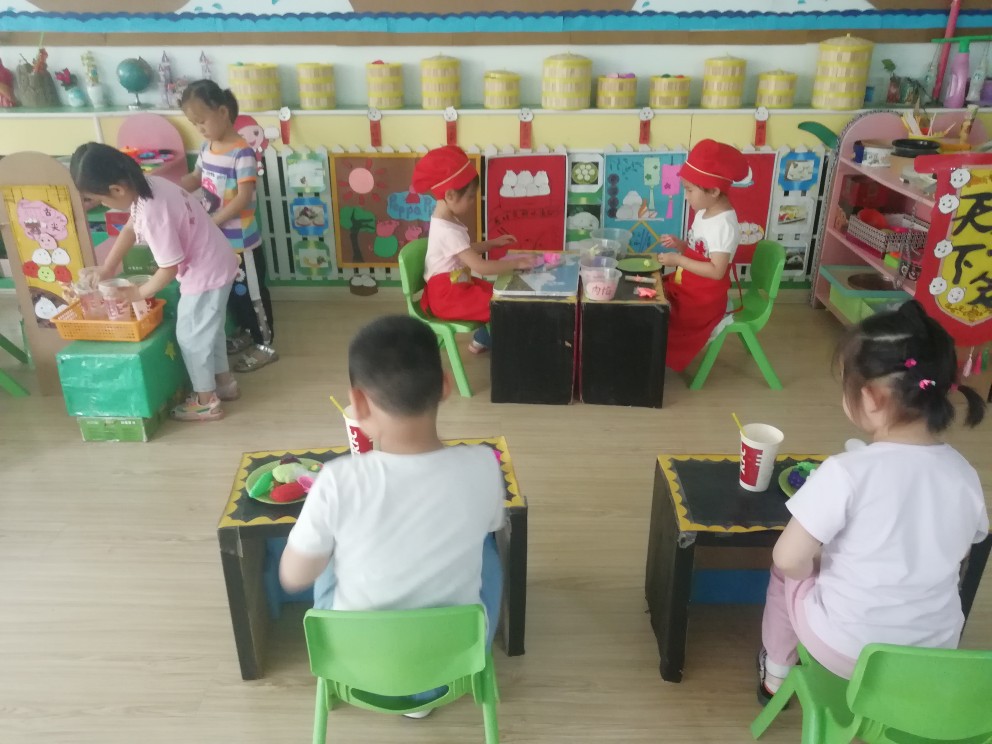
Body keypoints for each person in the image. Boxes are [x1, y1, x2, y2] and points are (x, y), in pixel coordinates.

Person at [757, 300, 988, 704]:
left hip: (846, 650)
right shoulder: (965, 474)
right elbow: (964, 547)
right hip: (932, 656)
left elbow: (787, 558)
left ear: (871, 397)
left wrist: (817, 567)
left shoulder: (845, 472)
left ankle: (775, 673)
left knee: (784, 574)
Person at [280, 315, 505, 716]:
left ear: (358, 402)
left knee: (327, 555)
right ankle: (425, 686)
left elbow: (293, 577)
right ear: (446, 385)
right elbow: (489, 526)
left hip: (357, 664)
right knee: (487, 549)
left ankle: (382, 679)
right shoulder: (485, 465)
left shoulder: (336, 480)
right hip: (451, 661)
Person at [70, 142, 240, 422]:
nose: (102, 205)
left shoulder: (152, 212)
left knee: (191, 337)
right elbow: (130, 227)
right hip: (215, 262)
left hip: (205, 274)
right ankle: (224, 384)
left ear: (117, 190)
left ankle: (206, 401)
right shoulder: (149, 185)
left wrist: (137, 293)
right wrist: (108, 267)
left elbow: (167, 269)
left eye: (99, 200)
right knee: (208, 329)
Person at [180, 79, 277, 373]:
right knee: (233, 293)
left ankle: (265, 344)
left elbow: (244, 198)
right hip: (218, 241)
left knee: (252, 293)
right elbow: (195, 179)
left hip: (242, 242)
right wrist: (168, 190)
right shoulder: (206, 148)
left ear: (222, 112)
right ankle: (247, 332)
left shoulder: (242, 152)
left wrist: (212, 222)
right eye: (194, 123)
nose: (199, 128)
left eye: (202, 120)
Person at [411, 145, 537, 354]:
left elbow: (463, 250)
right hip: (448, 297)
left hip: (456, 285)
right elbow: (480, 266)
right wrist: (516, 263)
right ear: (450, 195)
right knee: (500, 304)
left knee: (497, 295)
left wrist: (492, 243)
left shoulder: (445, 221)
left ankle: (482, 338)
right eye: (470, 197)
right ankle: (500, 345)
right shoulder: (447, 229)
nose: (473, 201)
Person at [658, 139, 749, 372]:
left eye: (689, 190)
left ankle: (660, 359)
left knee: (665, 318)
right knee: (655, 298)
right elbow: (698, 251)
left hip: (704, 300)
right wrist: (680, 246)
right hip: (688, 286)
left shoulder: (724, 225)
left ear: (714, 191)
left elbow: (716, 271)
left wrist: (678, 260)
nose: (685, 196)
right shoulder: (704, 212)